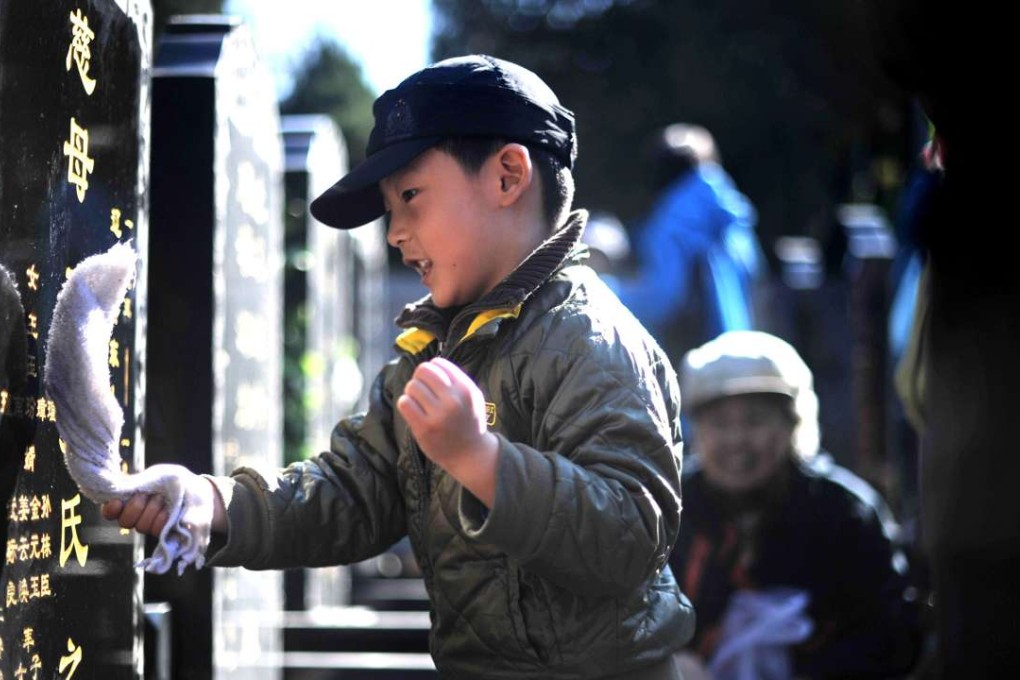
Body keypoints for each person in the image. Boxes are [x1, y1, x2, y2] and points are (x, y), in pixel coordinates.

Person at [102, 54, 695, 679]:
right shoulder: (436, 350)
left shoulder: (588, 338)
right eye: (390, 209)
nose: (395, 233)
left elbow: (631, 530)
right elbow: (356, 489)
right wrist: (214, 503)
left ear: (507, 176)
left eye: (410, 196)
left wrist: (481, 461)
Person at [668, 330, 922, 679]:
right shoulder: (672, 509)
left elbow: (890, 630)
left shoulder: (843, 513)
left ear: (792, 425)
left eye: (755, 421)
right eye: (719, 424)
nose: (737, 440)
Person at [608, 123, 768, 370]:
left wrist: (606, 290)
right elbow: (756, 272)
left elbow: (662, 300)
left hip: (694, 359)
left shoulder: (672, 221)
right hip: (739, 350)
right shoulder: (732, 215)